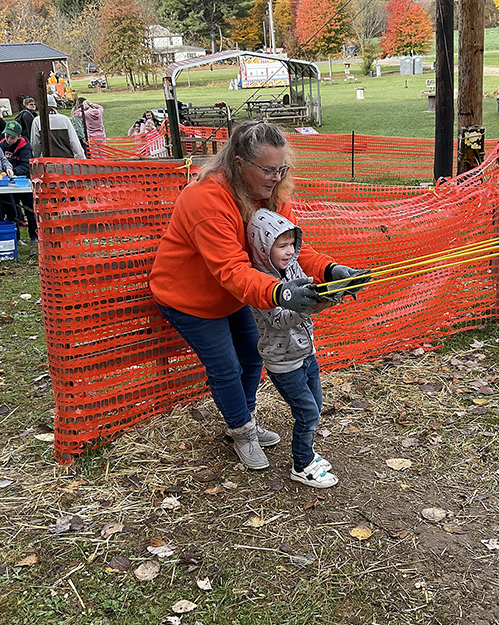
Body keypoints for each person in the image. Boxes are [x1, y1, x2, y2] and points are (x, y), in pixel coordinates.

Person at [149, 121, 367, 471]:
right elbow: (231, 270)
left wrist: (330, 270)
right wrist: (280, 292)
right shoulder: (205, 197)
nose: (276, 177)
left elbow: (289, 248)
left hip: (239, 292)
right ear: (238, 164)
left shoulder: (272, 194)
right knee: (225, 367)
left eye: (282, 169)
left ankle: (242, 418)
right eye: (267, 169)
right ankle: (242, 431)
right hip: (190, 297)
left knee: (252, 358)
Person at [246, 209, 356, 487]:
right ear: (262, 247)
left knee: (316, 406)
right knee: (306, 413)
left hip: (306, 352)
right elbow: (280, 320)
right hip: (283, 362)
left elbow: (312, 292)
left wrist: (334, 289)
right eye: (281, 245)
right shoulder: (260, 283)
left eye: (292, 243)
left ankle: (307, 452)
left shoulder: (293, 267)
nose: (289, 250)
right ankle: (302, 464)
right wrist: (312, 308)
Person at [0, 120, 37, 243]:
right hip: (8, 184)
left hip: (23, 182)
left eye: (12, 137)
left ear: (19, 137)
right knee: (12, 210)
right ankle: (16, 237)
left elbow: (26, 166)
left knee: (29, 210)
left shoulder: (25, 148)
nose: (9, 139)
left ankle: (34, 235)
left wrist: (13, 171)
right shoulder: (1, 146)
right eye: (7, 136)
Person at [30, 95, 86, 159]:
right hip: (66, 160)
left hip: (47, 161)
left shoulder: (37, 121)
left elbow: (35, 144)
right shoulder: (65, 119)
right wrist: (81, 158)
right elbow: (74, 143)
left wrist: (36, 158)